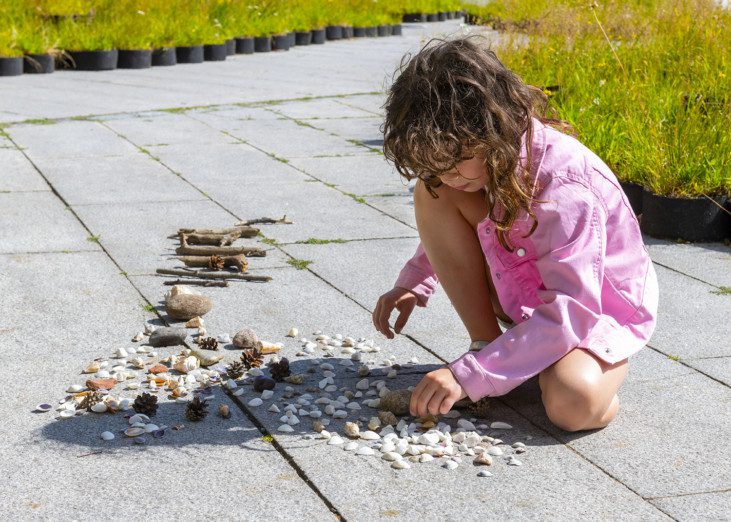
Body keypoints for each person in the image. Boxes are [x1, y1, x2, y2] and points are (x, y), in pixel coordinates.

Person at [372, 37, 659, 432]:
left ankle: (560, 368)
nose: (447, 176)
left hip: (592, 312)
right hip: (525, 290)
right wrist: (415, 281)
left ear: (492, 130)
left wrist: (464, 376)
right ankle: (489, 347)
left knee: (572, 401)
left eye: (454, 163)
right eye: (436, 165)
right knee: (432, 193)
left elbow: (573, 311)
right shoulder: (476, 166)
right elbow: (452, 221)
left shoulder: (566, 186)